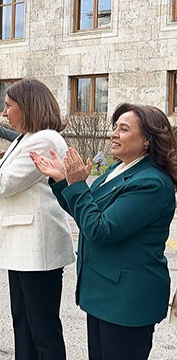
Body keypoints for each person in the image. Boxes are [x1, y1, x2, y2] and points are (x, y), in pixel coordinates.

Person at [30, 103, 177, 360]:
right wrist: (63, 181)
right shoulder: (117, 169)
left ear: (146, 140)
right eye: (114, 127)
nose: (113, 134)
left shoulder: (152, 183)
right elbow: (86, 215)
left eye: (123, 129)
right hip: (104, 294)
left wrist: (76, 184)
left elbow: (101, 229)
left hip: (127, 301)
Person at [0, 79, 75, 360]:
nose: (4, 112)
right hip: (23, 248)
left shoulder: (46, 139)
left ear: (28, 106)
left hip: (37, 249)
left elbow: (3, 183)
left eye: (9, 106)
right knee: (23, 326)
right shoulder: (29, 137)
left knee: (42, 330)